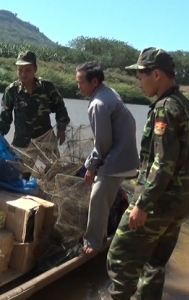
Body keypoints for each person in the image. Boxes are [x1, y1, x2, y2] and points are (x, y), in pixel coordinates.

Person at [107, 47, 189, 300]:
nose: (138, 82)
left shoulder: (165, 108)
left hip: (159, 202)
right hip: (179, 202)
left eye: (140, 76)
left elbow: (163, 163)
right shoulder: (184, 104)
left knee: (119, 257)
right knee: (155, 263)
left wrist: (142, 204)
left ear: (156, 74)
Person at [75, 61, 139, 255]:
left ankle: (93, 242)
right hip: (125, 155)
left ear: (94, 82)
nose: (78, 87)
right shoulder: (108, 92)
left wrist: (92, 166)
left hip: (117, 158)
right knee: (100, 190)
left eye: (81, 83)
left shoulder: (98, 104)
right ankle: (118, 203)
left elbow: (102, 141)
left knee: (97, 196)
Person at [0, 51, 70, 149]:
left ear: (35, 69)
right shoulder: (11, 91)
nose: (23, 74)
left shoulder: (47, 87)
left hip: (45, 140)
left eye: (28, 70)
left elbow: (60, 107)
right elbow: (5, 116)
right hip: (22, 141)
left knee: (54, 165)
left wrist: (61, 129)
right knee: (18, 165)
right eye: (20, 70)